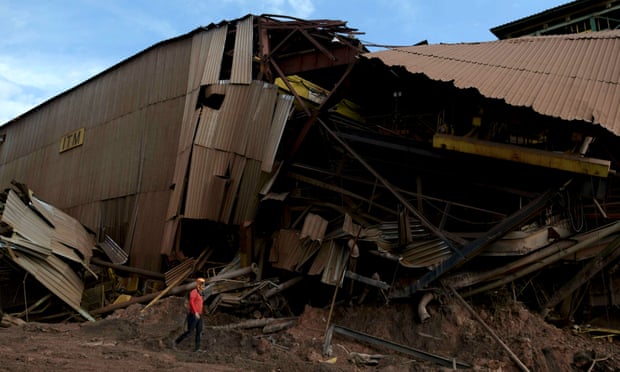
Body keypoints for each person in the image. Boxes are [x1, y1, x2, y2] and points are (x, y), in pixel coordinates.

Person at [172, 277, 206, 352]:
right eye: (202, 284)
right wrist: (195, 312)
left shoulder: (201, 293)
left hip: (199, 315)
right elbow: (191, 302)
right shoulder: (194, 292)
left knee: (199, 331)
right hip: (193, 315)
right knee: (190, 332)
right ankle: (176, 342)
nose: (204, 286)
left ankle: (197, 348)